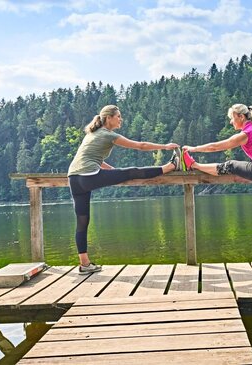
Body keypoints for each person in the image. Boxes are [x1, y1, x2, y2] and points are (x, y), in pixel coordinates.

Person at [68, 105, 181, 274]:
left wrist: (113, 172)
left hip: (74, 179)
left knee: (82, 222)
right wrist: (165, 146)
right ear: (109, 118)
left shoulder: (92, 134)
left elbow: (92, 158)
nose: (121, 119)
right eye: (118, 116)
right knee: (131, 172)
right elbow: (140, 146)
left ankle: (84, 264)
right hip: (88, 176)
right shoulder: (108, 134)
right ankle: (170, 166)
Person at [182, 103, 252, 271]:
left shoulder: (247, 133)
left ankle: (194, 165)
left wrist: (192, 148)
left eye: (232, 118)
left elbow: (217, 146)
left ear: (241, 117)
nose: (230, 122)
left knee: (231, 165)